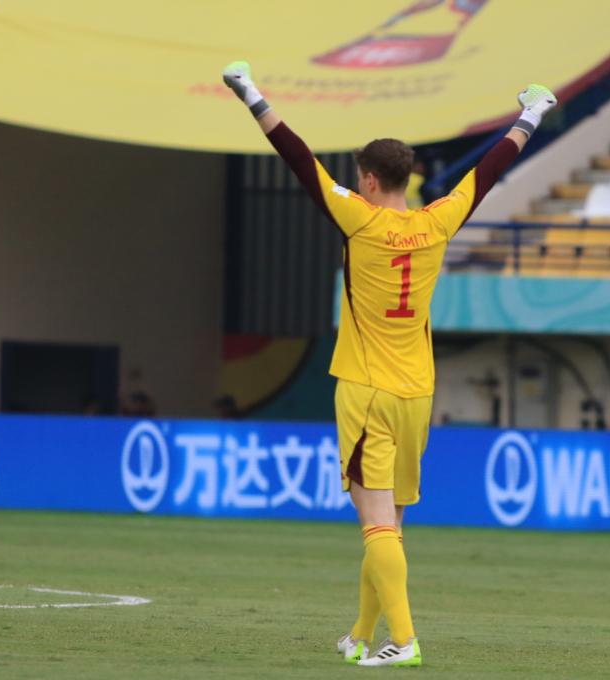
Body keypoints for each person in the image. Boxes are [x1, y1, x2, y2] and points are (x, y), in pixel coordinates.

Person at [222, 61, 555, 667]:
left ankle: (403, 641)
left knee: (374, 521)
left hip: (366, 390)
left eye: (358, 176)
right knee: (388, 526)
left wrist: (252, 96)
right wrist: (530, 115)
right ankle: (360, 634)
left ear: (371, 181)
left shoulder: (360, 219)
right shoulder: (438, 223)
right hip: (417, 395)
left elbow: (299, 162)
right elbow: (488, 173)